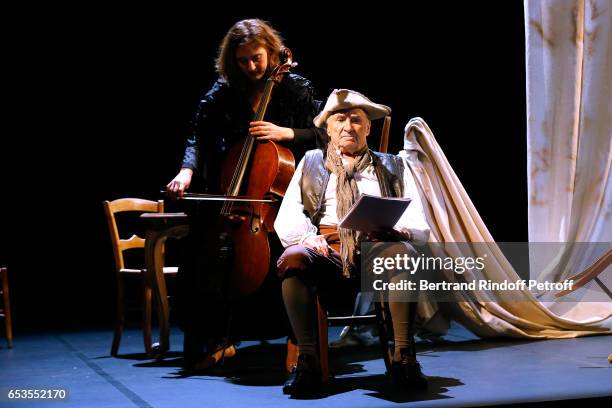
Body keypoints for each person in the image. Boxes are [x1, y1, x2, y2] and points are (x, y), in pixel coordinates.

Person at [164, 19, 325, 371]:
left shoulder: (295, 88)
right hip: (239, 196)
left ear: (270, 52)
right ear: (232, 61)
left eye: (258, 58)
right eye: (243, 61)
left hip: (290, 194)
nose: (252, 67)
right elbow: (198, 134)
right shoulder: (223, 91)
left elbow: (323, 136)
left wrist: (286, 133)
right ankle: (217, 338)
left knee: (287, 248)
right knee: (202, 255)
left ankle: (299, 339)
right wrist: (186, 170)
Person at [275, 89, 430, 396]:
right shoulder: (311, 163)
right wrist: (308, 237)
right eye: (340, 119)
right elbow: (287, 215)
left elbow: (417, 217)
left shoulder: (393, 165)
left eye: (356, 120)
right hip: (328, 248)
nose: (348, 126)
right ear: (328, 128)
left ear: (368, 128)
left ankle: (404, 357)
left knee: (404, 253)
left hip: (378, 244)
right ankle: (308, 361)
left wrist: (400, 231)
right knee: (294, 257)